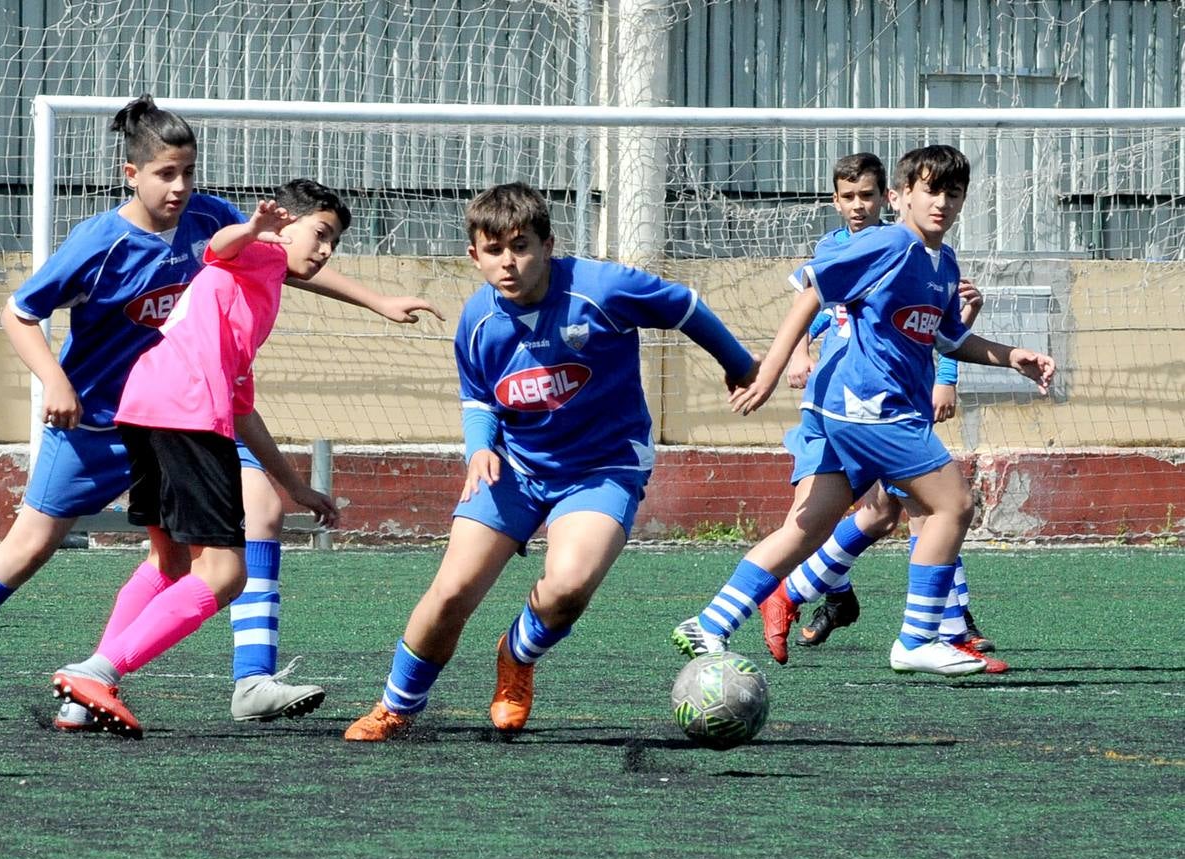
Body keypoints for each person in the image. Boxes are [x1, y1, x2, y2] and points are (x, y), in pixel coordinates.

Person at [0, 96, 436, 726]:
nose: (180, 187)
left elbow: (279, 258)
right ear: (132, 174)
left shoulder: (209, 219)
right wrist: (55, 382)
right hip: (96, 423)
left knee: (248, 517)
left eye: (188, 173)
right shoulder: (99, 242)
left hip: (179, 413)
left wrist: (375, 300)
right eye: (165, 174)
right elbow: (17, 312)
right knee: (28, 550)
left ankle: (233, 679)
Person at [344, 182, 759, 742]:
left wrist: (737, 364)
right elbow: (479, 399)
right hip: (514, 469)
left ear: (548, 244)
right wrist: (478, 450)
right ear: (474, 255)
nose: (508, 263)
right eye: (494, 251)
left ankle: (517, 654)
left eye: (520, 246)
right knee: (449, 594)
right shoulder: (476, 321)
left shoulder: (602, 289)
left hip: (602, 466)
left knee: (566, 588)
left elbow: (684, 307)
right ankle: (397, 705)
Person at [673, 145, 1054, 678]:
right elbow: (811, 294)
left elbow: (947, 337)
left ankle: (709, 623)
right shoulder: (891, 242)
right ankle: (920, 638)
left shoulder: (942, 263)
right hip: (870, 408)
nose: (941, 201)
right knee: (954, 505)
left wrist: (1012, 356)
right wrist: (770, 369)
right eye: (930, 190)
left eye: (953, 192)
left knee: (809, 528)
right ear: (903, 197)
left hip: (855, 411)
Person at [50, 186, 345, 737]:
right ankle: (97, 672)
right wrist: (254, 229)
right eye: (321, 234)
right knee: (227, 573)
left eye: (335, 242)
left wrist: (293, 486)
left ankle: (79, 699)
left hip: (145, 406)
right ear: (284, 227)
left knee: (169, 563)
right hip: (185, 414)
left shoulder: (253, 293)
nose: (326, 251)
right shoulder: (261, 253)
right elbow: (219, 245)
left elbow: (242, 405)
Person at [764, 156, 1003, 671]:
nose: (859, 206)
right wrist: (796, 356)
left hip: (900, 398)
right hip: (852, 402)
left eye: (867, 196)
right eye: (848, 197)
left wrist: (947, 376)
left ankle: (927, 622)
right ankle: (941, 629)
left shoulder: (922, 253)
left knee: (892, 512)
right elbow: (818, 305)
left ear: (886, 199)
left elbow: (937, 331)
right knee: (926, 506)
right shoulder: (845, 249)